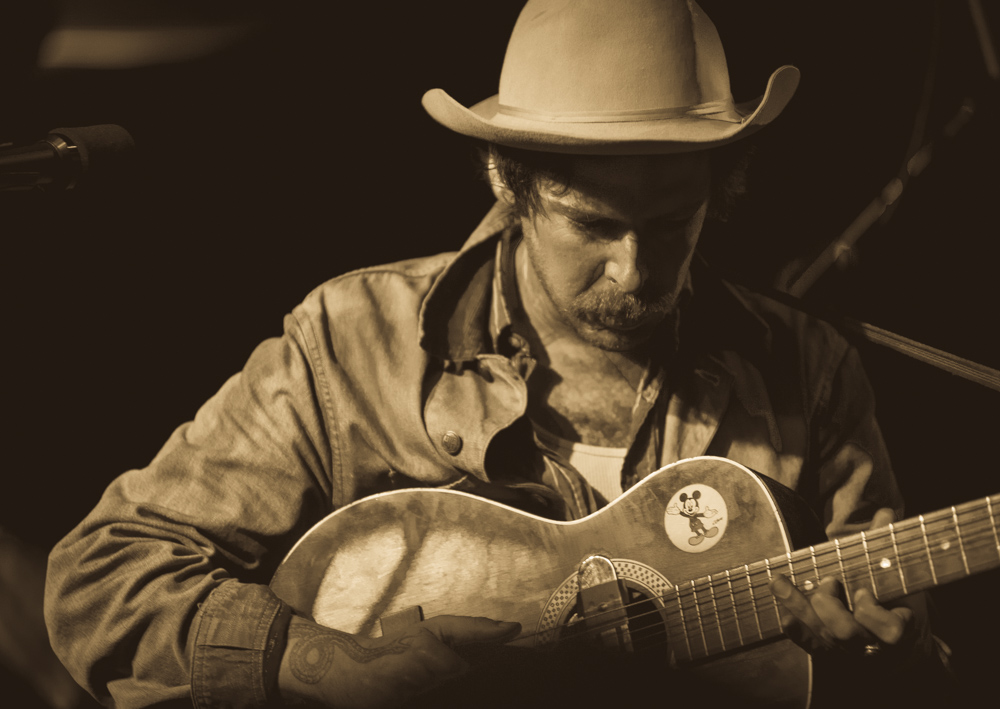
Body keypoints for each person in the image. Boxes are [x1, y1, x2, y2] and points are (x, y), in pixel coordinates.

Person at [45, 1, 956, 707]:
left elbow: (905, 663)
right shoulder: (353, 341)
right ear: (507, 181)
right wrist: (317, 660)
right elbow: (100, 575)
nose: (635, 269)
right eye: (593, 224)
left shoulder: (808, 369)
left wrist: (893, 655)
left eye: (673, 221)